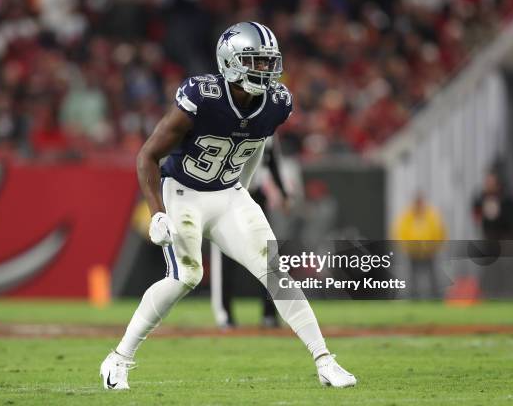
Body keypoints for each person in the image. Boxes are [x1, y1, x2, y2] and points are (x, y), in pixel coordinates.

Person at [100, 22, 357, 390]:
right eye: (256, 61)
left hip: (227, 193)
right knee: (186, 277)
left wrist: (243, 190)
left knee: (277, 273)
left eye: (270, 62)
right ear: (231, 62)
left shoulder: (277, 103)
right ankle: (119, 359)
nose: (266, 70)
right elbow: (148, 156)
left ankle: (324, 361)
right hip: (183, 192)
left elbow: (255, 146)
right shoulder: (202, 96)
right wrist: (157, 212)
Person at [211, 140, 289, 329]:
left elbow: (271, 162)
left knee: (267, 255)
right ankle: (225, 315)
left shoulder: (268, 129)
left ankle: (269, 314)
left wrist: (283, 192)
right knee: (226, 258)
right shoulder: (230, 122)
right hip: (228, 195)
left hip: (255, 196)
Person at [392, 191, 446, 299]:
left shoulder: (431, 215)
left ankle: (436, 298)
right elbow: (400, 232)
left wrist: (435, 246)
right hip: (413, 252)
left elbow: (439, 231)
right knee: (412, 277)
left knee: (433, 277)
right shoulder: (407, 216)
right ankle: (412, 297)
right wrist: (406, 247)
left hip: (429, 251)